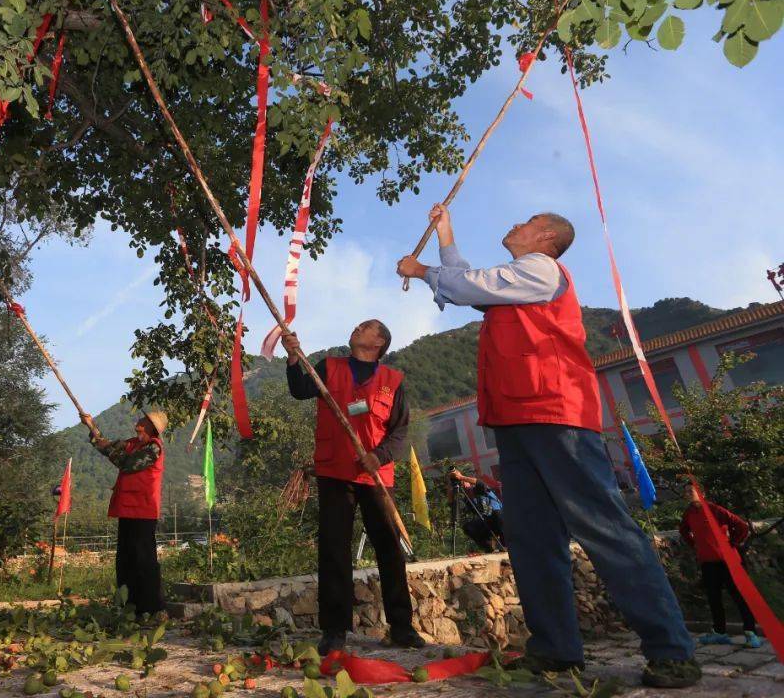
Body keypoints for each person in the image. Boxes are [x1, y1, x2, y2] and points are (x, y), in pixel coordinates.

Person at [397, 205, 700, 689]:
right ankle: (556, 649)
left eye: (524, 221)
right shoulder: (517, 281)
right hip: (517, 417)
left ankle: (671, 648)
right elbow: (470, 281)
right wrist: (446, 235)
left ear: (545, 236)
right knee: (532, 537)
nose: (512, 224)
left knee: (602, 525)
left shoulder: (541, 270)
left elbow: (468, 285)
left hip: (555, 412)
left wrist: (422, 270)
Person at [282, 320, 425, 655]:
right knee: (334, 549)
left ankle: (402, 627)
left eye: (365, 328)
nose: (356, 329)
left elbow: (399, 431)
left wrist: (380, 455)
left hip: (376, 476)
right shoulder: (329, 366)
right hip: (335, 473)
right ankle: (334, 630)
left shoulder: (393, 381)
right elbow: (301, 389)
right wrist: (292, 358)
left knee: (389, 549)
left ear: (379, 342)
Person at [81, 409, 168, 617]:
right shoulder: (133, 444)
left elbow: (127, 464)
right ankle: (129, 606)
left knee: (143, 559)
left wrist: (107, 446)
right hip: (127, 508)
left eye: (142, 421)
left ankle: (151, 607)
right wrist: (91, 426)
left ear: (149, 426)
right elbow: (106, 446)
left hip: (144, 509)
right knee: (126, 558)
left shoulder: (153, 448)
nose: (137, 423)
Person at [679, 485, 761, 648]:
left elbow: (742, 526)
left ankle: (750, 633)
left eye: (691, 491)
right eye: (685, 492)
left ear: (702, 493)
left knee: (739, 597)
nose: (687, 494)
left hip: (728, 561)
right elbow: (683, 530)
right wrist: (695, 545)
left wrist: (733, 543)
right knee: (714, 598)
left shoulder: (714, 510)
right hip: (707, 563)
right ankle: (720, 632)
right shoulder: (689, 513)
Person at [447, 469, 504, 553]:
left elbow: (479, 482)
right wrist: (450, 484)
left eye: (464, 481)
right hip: (487, 522)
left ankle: (505, 544)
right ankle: (488, 547)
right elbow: (451, 501)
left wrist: (461, 477)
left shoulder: (479, 489)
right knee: (468, 527)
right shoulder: (467, 499)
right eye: (461, 482)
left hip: (500, 518)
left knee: (496, 514)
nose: (462, 483)